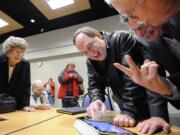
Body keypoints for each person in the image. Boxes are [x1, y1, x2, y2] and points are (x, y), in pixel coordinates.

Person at [73, 26, 170, 134]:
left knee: (156, 130)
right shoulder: (90, 60)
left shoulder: (121, 39)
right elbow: (94, 84)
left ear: (98, 35)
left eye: (90, 46)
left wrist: (129, 112)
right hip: (126, 104)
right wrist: (96, 99)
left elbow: (130, 78)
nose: (91, 54)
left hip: (148, 101)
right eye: (85, 52)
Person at [0, 36, 35, 112]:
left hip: (14, 106)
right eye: (17, 52)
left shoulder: (25, 64)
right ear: (8, 51)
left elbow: (26, 86)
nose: (20, 55)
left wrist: (25, 105)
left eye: (22, 52)